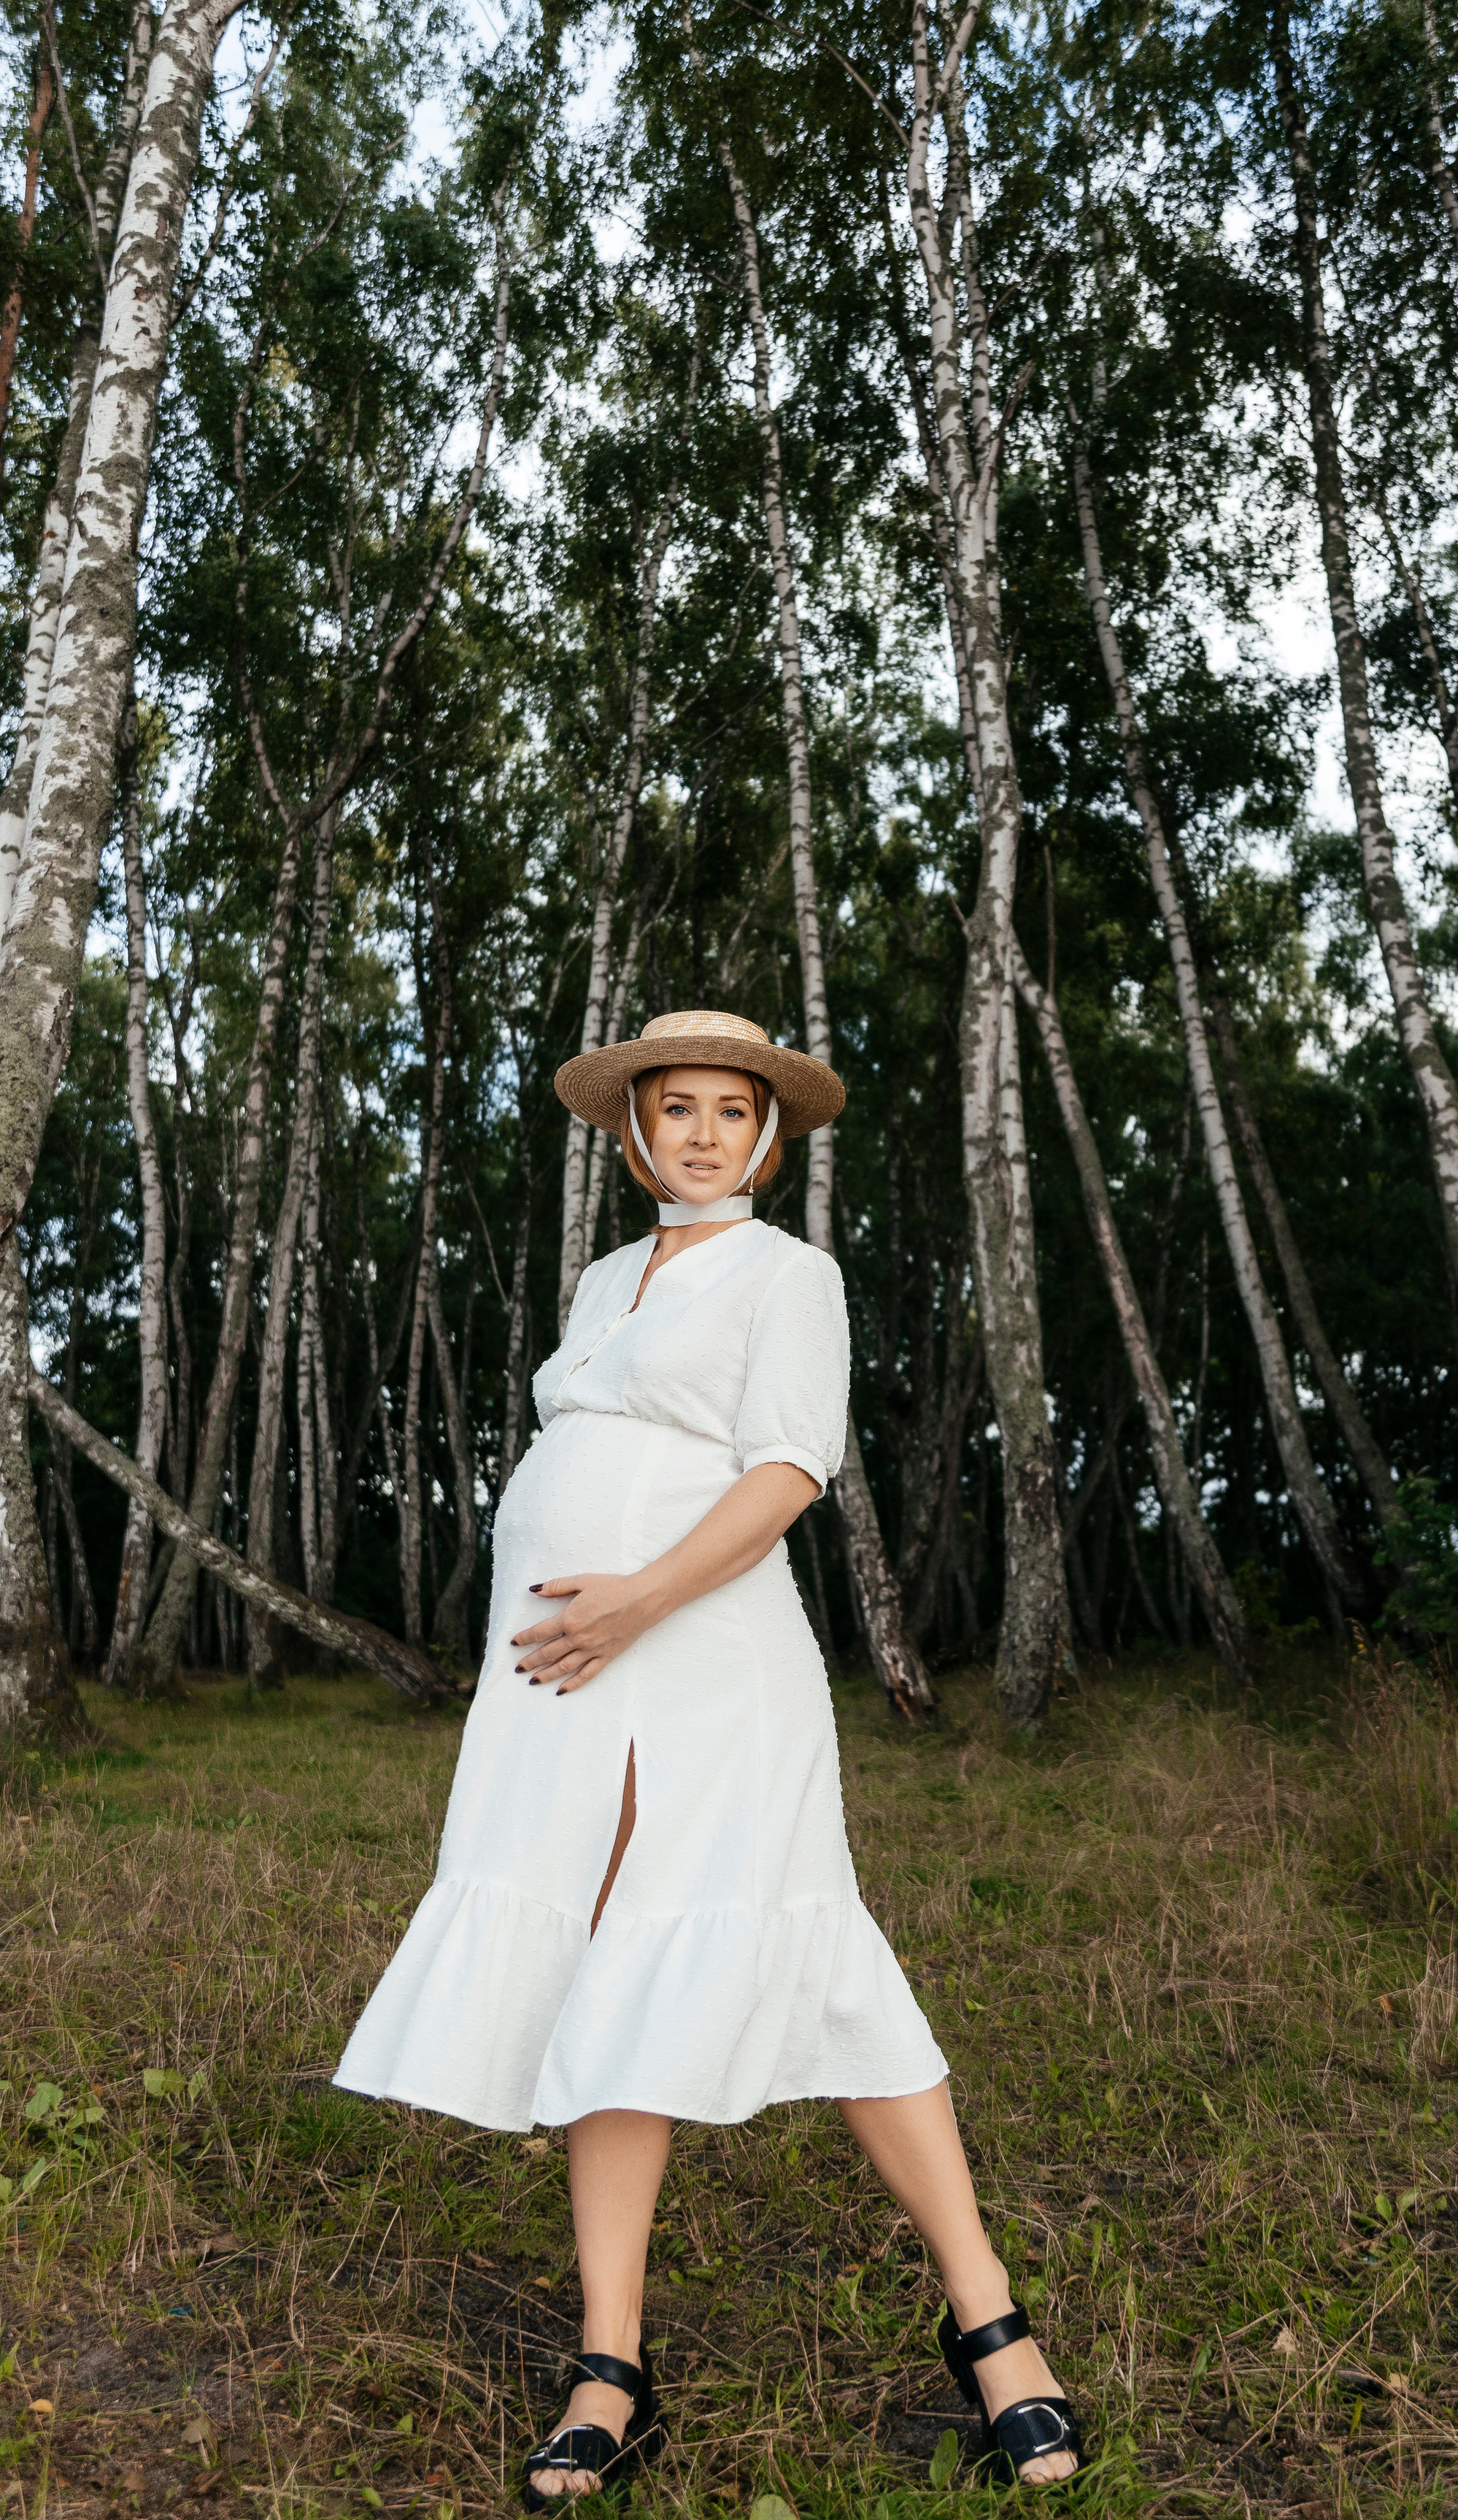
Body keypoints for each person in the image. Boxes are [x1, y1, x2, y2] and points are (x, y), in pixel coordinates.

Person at [335, 1009, 1084, 2500]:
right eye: (671, 1107)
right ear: (633, 1132)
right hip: (559, 1671)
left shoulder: (787, 1274)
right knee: (602, 1966)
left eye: (728, 1112)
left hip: (702, 1652)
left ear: (767, 1137)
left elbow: (790, 1467)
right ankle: (611, 2365)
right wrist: (573, 1606)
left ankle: (992, 2327)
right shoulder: (606, 1278)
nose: (697, 1131)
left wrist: (634, 1599)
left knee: (812, 1947)